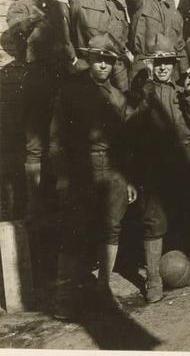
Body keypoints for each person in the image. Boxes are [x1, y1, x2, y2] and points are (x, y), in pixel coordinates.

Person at [49, 33, 137, 320]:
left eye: (109, 61)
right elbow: (56, 138)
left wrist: (130, 178)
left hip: (113, 170)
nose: (103, 65)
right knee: (75, 231)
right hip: (80, 168)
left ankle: (104, 290)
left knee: (111, 229)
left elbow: (126, 142)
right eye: (98, 59)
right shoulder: (71, 91)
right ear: (89, 59)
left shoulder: (117, 97)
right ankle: (65, 299)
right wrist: (62, 176)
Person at [128, 34, 190, 303]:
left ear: (174, 64)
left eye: (168, 62)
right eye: (158, 63)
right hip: (153, 165)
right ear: (151, 65)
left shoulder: (182, 90)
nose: (163, 67)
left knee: (189, 213)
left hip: (184, 162)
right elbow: (131, 128)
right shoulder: (142, 93)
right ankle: (153, 279)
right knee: (153, 220)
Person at [7, 0, 75, 226]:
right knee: (35, 144)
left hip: (61, 80)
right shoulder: (20, 6)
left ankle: (62, 206)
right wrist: (30, 19)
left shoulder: (61, 7)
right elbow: (14, 32)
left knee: (61, 140)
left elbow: (68, 42)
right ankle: (35, 206)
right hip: (35, 81)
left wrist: (73, 61)